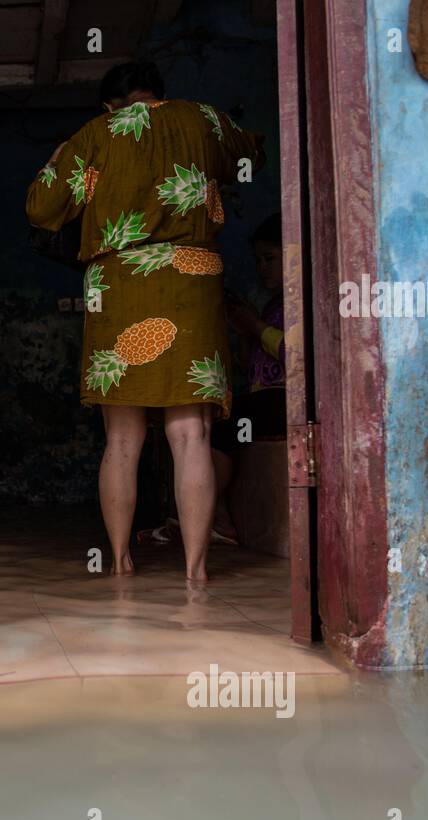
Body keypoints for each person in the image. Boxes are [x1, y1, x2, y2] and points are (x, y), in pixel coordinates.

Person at [26, 61, 263, 580]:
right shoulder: (204, 119)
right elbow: (253, 153)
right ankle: (197, 569)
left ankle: (120, 560)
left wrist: (66, 155)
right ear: (159, 92)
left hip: (119, 284)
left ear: (110, 105)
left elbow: (43, 209)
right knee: (191, 433)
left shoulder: (94, 134)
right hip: (191, 278)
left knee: (123, 438)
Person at [210, 214, 287, 541]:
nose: (262, 268)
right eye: (258, 260)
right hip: (264, 398)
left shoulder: (302, 303)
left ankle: (213, 512)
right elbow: (250, 366)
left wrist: (255, 326)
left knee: (224, 423)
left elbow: (294, 356)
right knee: (216, 416)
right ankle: (208, 511)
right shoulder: (271, 306)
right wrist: (245, 329)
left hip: (287, 399)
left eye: (270, 259)